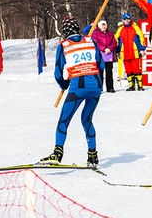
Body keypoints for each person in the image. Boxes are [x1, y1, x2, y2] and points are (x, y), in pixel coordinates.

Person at [40, 16, 104, 168]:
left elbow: (57, 72)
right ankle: (93, 155)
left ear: (64, 31)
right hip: (96, 86)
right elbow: (101, 65)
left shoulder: (64, 45)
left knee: (64, 121)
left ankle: (57, 153)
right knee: (86, 119)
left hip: (78, 87)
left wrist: (64, 84)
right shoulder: (90, 41)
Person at [117, 12, 146, 91]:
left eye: (128, 19)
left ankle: (140, 85)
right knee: (128, 69)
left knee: (137, 69)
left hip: (135, 52)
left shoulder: (135, 27)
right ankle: (131, 85)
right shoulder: (120, 29)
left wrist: (142, 49)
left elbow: (142, 38)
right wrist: (117, 51)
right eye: (125, 19)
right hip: (124, 53)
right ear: (122, 20)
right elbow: (116, 40)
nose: (127, 21)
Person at [91, 19, 119, 93]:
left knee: (109, 71)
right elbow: (95, 43)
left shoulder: (110, 34)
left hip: (109, 55)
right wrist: (104, 49)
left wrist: (110, 48)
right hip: (100, 55)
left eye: (105, 25)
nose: (103, 27)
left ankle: (110, 87)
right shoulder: (95, 34)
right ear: (99, 26)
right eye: (102, 25)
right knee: (100, 72)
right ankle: (99, 88)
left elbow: (114, 42)